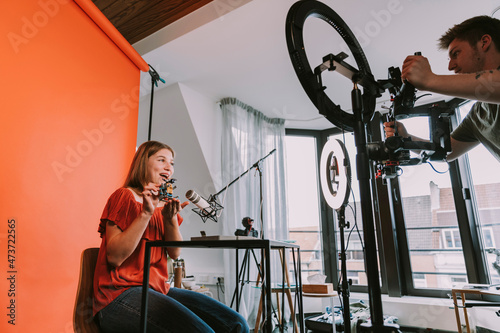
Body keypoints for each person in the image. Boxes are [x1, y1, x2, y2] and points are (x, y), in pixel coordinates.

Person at [92, 140, 249, 333]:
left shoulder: (162, 207)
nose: (169, 167)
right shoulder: (125, 196)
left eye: (172, 163)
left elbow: (174, 253)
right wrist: (145, 214)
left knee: (237, 324)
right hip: (118, 297)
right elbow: (114, 258)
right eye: (162, 160)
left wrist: (170, 219)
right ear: (143, 163)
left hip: (158, 290)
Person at [384, 15, 500, 162]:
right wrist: (406, 137)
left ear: (484, 42)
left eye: (456, 53)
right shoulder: (478, 116)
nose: (450, 66)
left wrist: (429, 80)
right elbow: (444, 153)